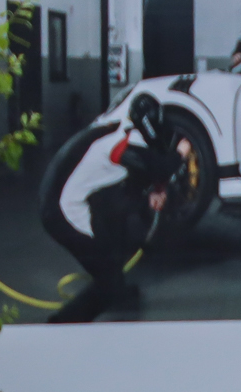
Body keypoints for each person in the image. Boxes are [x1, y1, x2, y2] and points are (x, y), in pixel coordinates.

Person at [37, 94, 186, 323]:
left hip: (64, 200)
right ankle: (61, 324)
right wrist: (180, 154)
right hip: (61, 213)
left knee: (116, 232)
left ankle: (118, 289)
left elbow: (141, 177)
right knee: (107, 282)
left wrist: (157, 190)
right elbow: (158, 168)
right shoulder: (123, 145)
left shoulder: (121, 134)